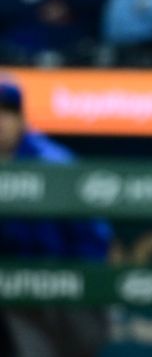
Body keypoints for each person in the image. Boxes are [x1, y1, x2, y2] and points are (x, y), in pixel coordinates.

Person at [0, 78, 112, 357]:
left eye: (7, 113)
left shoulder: (53, 163)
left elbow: (92, 240)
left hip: (57, 289)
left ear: (21, 119)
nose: (1, 122)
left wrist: (68, 282)